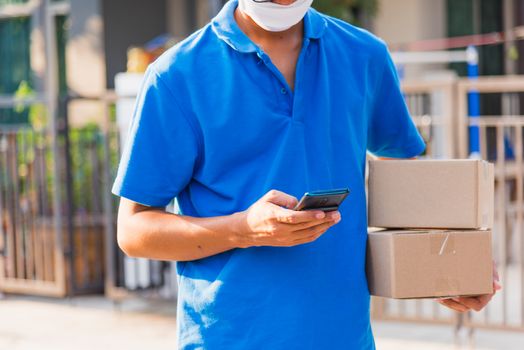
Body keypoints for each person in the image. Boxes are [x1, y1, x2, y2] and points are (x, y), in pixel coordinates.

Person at [111, 0, 500, 348]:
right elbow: (133, 231)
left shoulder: (364, 55)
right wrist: (243, 228)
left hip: (345, 338)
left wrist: (455, 266)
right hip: (227, 338)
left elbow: (406, 179)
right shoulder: (176, 76)